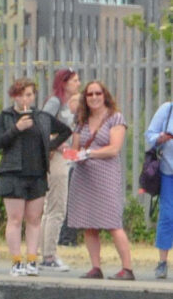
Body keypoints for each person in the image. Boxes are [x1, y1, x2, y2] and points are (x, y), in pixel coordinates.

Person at [0, 77, 70, 277]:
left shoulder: (42, 117)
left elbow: (65, 131)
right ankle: (16, 261)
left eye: (30, 94)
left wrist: (50, 146)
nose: (28, 98)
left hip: (37, 173)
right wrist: (16, 129)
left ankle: (32, 260)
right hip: (13, 173)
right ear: (14, 96)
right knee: (15, 219)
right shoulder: (6, 116)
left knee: (34, 219)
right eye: (23, 94)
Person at [67, 80, 134, 280]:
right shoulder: (82, 120)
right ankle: (95, 267)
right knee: (89, 224)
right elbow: (76, 148)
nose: (94, 97)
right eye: (89, 94)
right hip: (84, 176)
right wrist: (70, 152)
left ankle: (127, 268)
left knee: (113, 222)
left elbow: (114, 148)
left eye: (98, 93)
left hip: (106, 175)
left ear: (105, 95)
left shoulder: (115, 118)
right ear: (84, 98)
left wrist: (88, 153)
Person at [39, 69, 81, 271]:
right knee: (57, 206)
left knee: (51, 207)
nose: (78, 83)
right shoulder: (55, 101)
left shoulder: (67, 104)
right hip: (56, 158)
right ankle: (48, 255)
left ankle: (44, 251)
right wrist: (55, 145)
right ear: (63, 83)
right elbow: (42, 125)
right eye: (74, 80)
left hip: (63, 157)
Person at [147, 95, 173, 280]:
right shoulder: (167, 109)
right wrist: (160, 138)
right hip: (168, 170)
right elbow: (149, 135)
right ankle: (162, 262)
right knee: (167, 215)